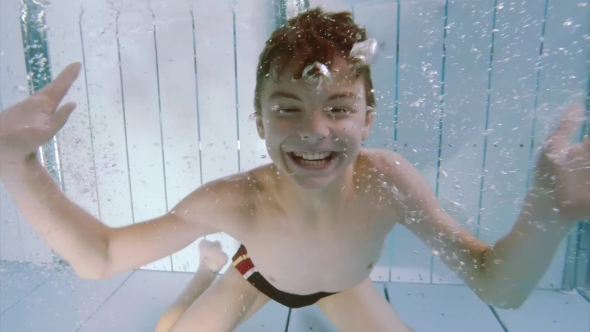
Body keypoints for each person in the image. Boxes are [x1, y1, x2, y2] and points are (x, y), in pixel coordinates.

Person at [0, 7, 588, 332]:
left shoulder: (387, 184)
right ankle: (204, 274)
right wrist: (18, 161)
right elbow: (100, 256)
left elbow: (496, 286)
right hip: (256, 275)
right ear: (260, 122)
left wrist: (552, 215)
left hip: (342, 283)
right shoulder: (235, 201)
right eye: (288, 108)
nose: (315, 130)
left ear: (367, 117)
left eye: (338, 108)